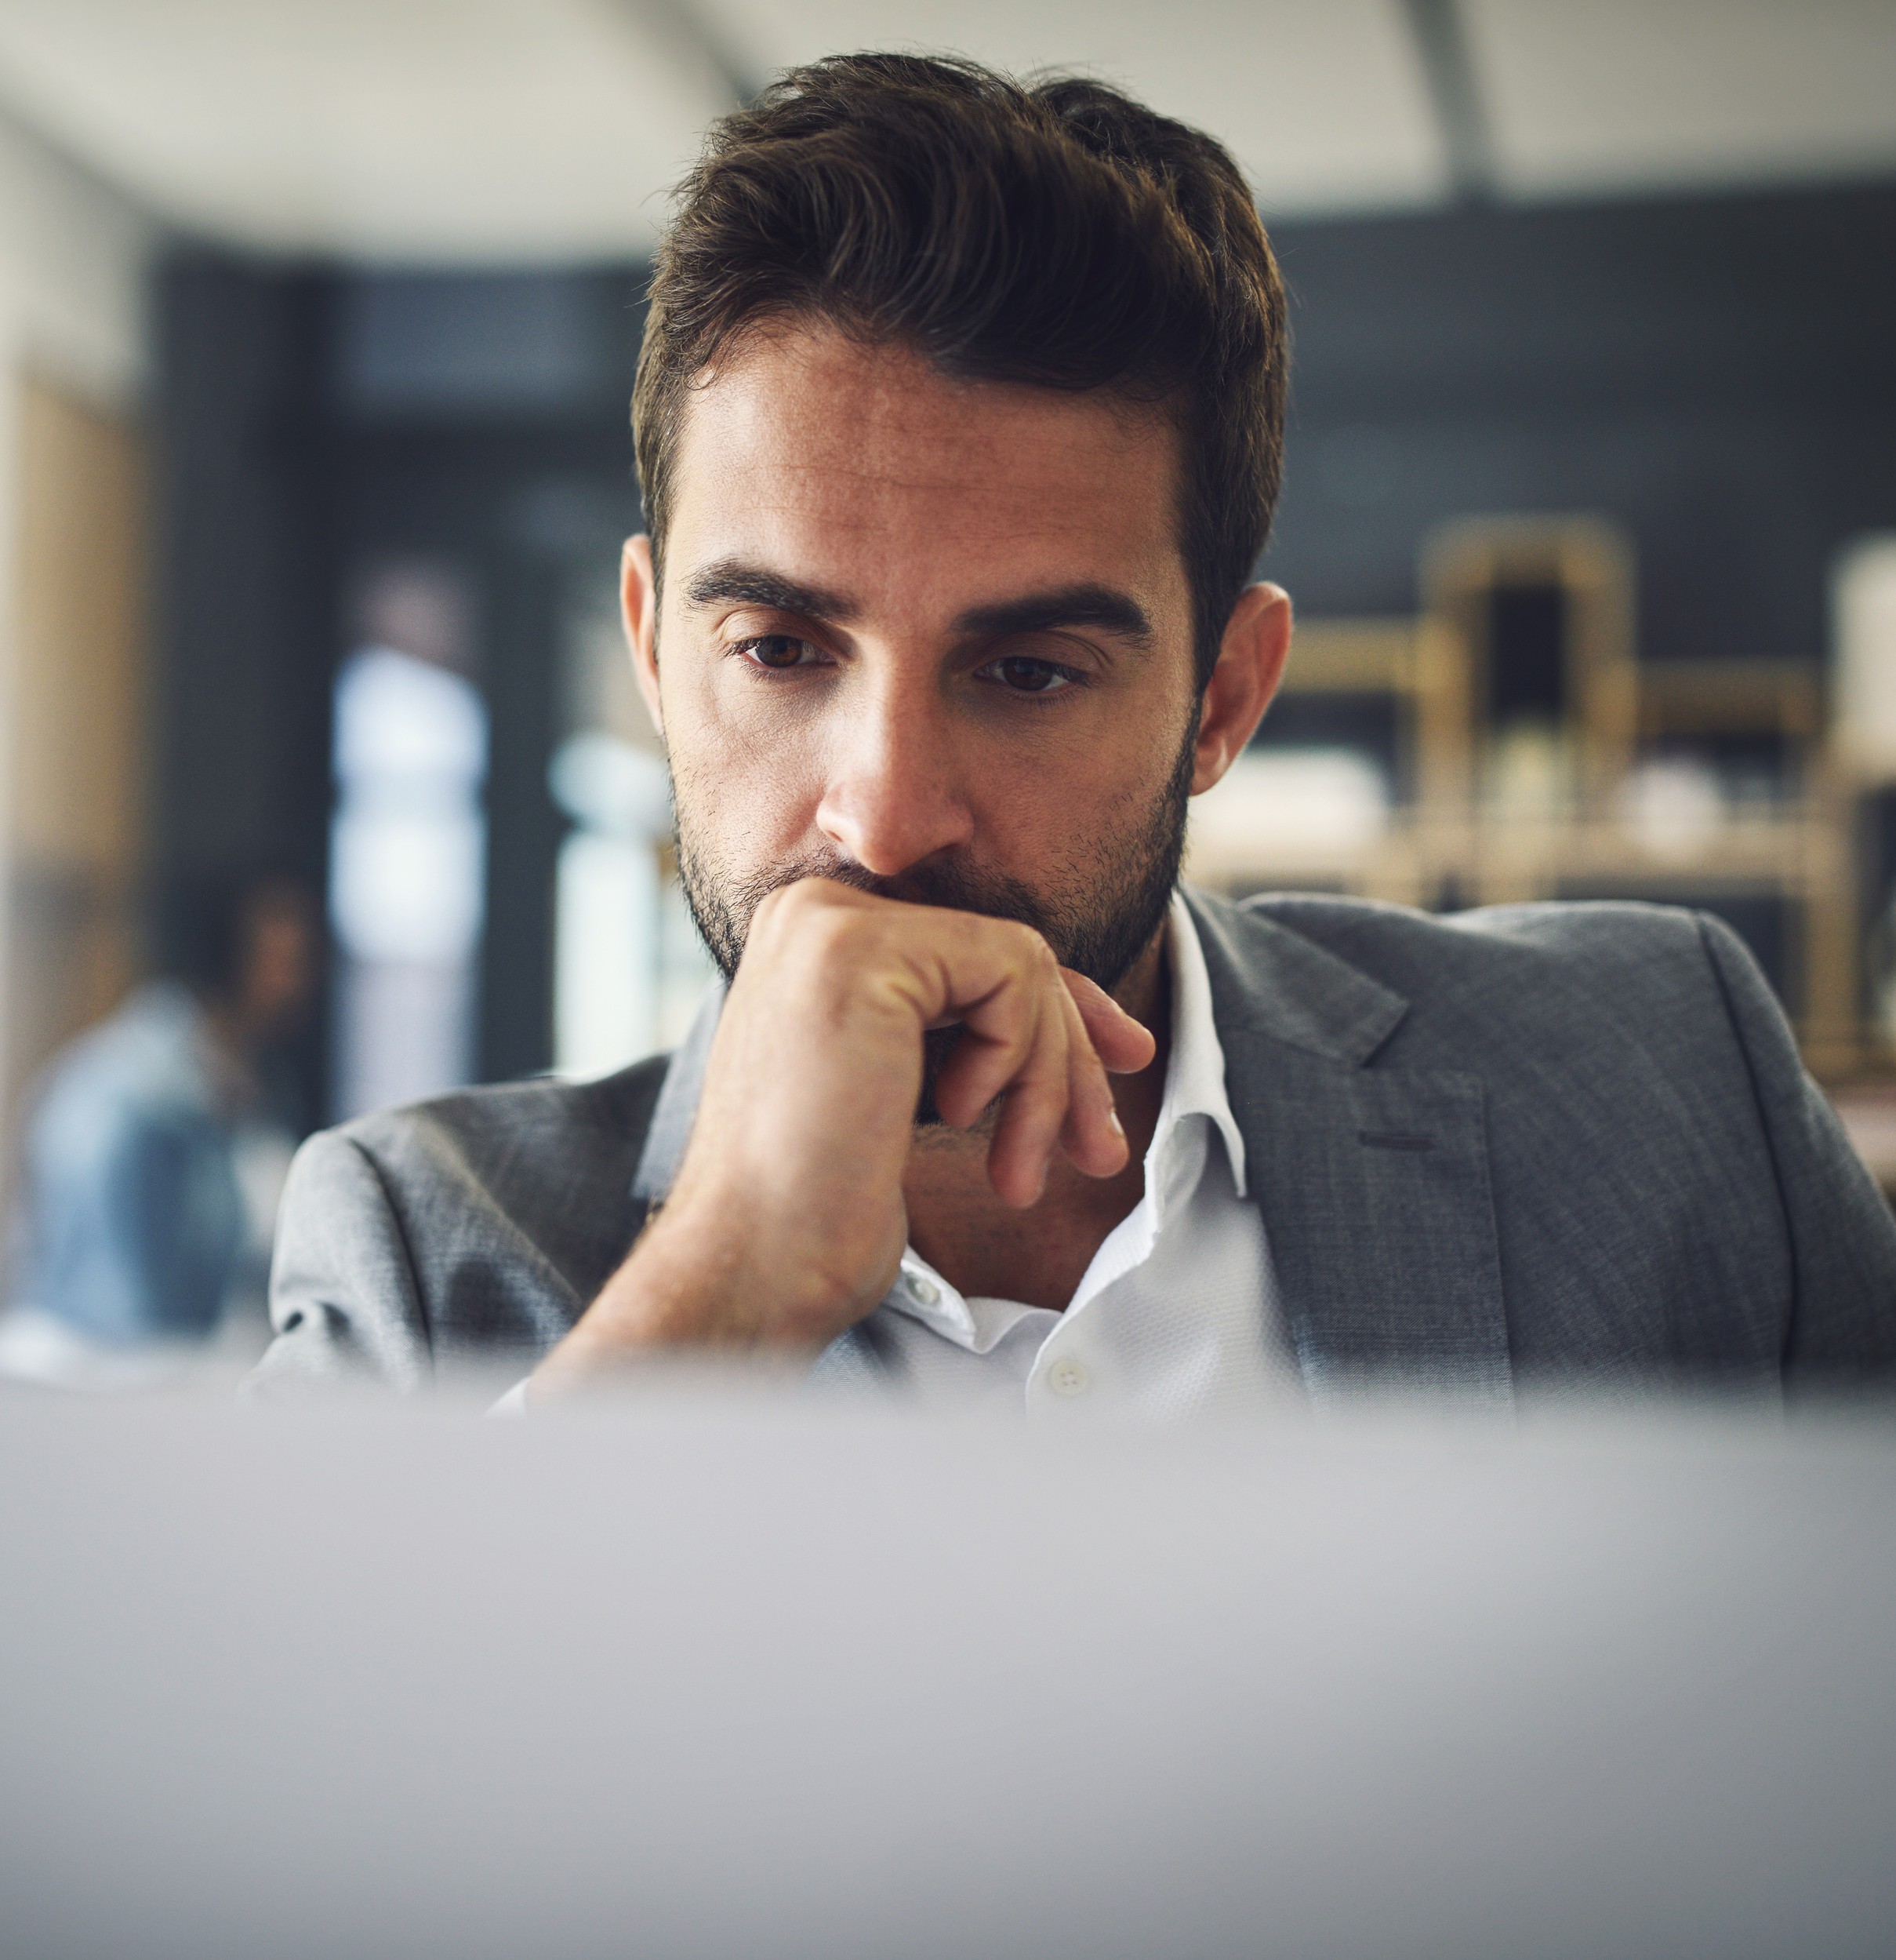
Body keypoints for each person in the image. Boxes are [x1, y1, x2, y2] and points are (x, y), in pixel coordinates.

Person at [254, 54, 1896, 1412]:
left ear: (1223, 701)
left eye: (1029, 669)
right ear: (654, 654)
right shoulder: (416, 1256)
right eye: (777, 646)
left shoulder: (1669, 1089)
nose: (886, 821)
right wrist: (719, 1284)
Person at [2, 871, 314, 1388]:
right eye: (286, 958)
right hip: (94, 1384)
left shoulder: (254, 1080)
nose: (302, 978)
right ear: (228, 956)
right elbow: (125, 1312)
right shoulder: (127, 1098)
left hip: (176, 1371)